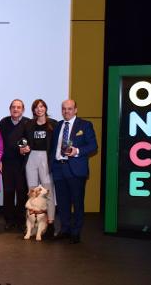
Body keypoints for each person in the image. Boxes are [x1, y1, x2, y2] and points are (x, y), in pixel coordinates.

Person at [49, 99, 97, 244]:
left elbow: (93, 146)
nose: (66, 111)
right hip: (58, 168)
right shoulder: (58, 125)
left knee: (77, 202)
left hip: (75, 169)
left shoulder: (85, 125)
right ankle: (65, 230)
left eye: (69, 109)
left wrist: (77, 151)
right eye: (64, 109)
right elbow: (53, 146)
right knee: (62, 203)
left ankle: (76, 232)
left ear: (75, 110)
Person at [19, 99, 57, 238]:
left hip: (46, 159)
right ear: (33, 110)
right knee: (32, 192)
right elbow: (22, 140)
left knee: (48, 192)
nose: (39, 109)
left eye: (41, 106)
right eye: (36, 107)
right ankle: (31, 226)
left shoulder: (53, 124)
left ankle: (51, 224)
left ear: (45, 108)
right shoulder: (28, 124)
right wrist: (23, 147)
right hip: (32, 158)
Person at [0, 99, 30, 231]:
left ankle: (21, 220)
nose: (16, 109)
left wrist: (26, 148)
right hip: (7, 164)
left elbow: (29, 141)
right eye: (13, 107)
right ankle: (9, 220)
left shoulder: (28, 122)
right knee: (8, 193)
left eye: (19, 107)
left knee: (22, 193)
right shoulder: (4, 122)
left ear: (23, 109)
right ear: (10, 109)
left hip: (23, 164)